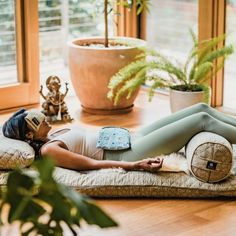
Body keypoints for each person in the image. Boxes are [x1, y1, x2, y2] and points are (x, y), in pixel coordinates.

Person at [2, 103, 236, 173]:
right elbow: (92, 165)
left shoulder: (52, 134)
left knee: (201, 108)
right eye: (37, 121)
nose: (44, 119)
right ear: (30, 134)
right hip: (130, 152)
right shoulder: (49, 150)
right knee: (201, 121)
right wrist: (135, 165)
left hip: (131, 137)